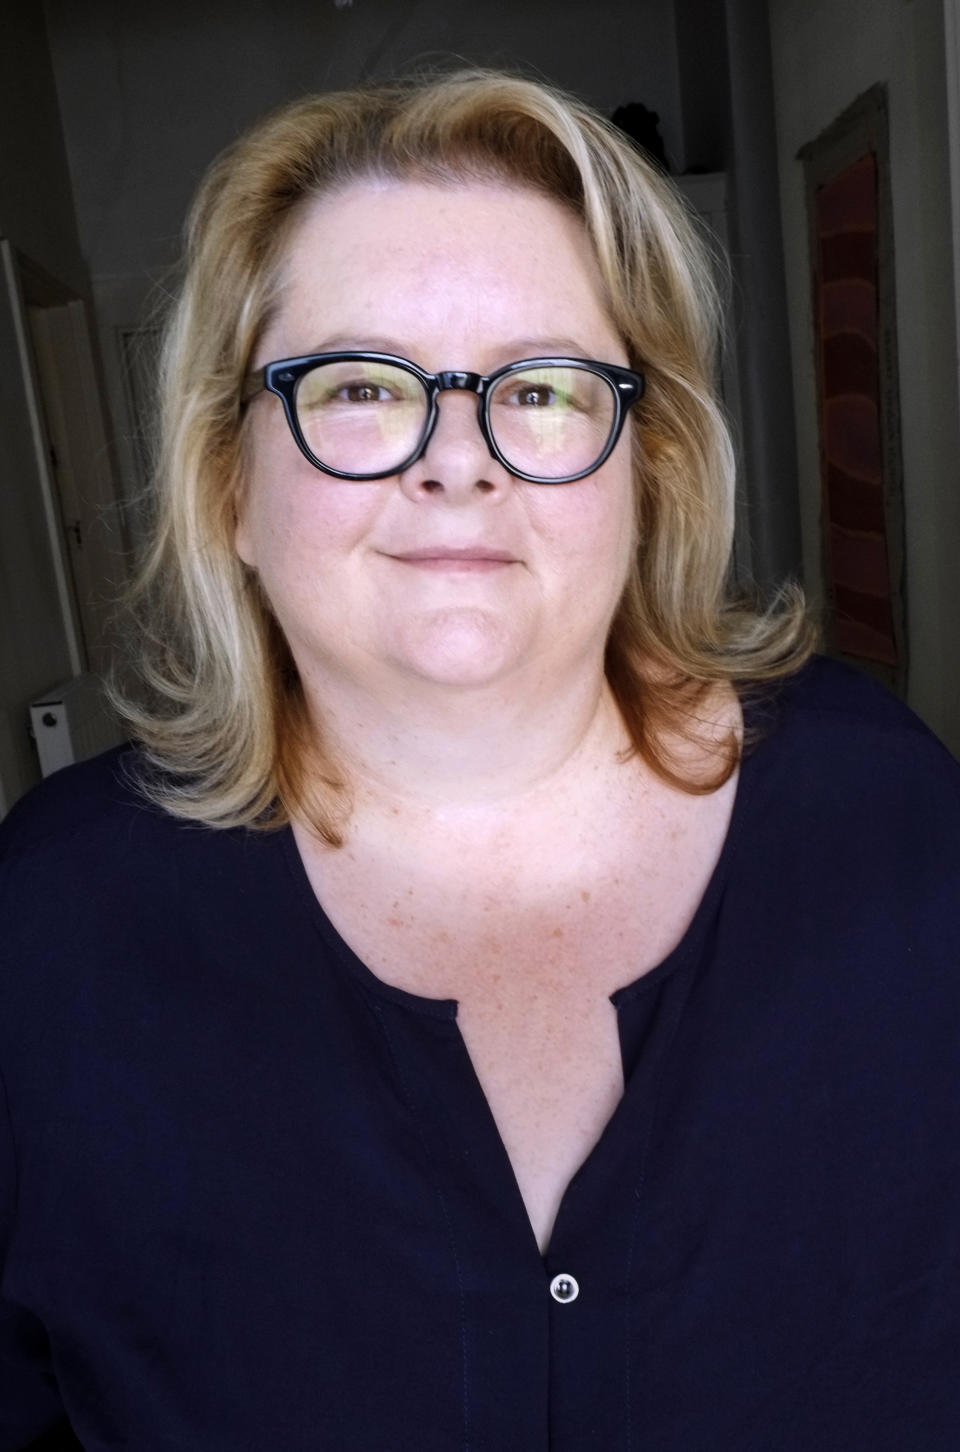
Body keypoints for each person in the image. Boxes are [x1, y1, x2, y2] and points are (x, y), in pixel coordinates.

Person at [1, 69, 958, 1452]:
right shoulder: (51, 929)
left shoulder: (893, 822)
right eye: (360, 386)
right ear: (230, 488)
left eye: (547, 389)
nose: (458, 461)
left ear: (651, 467)